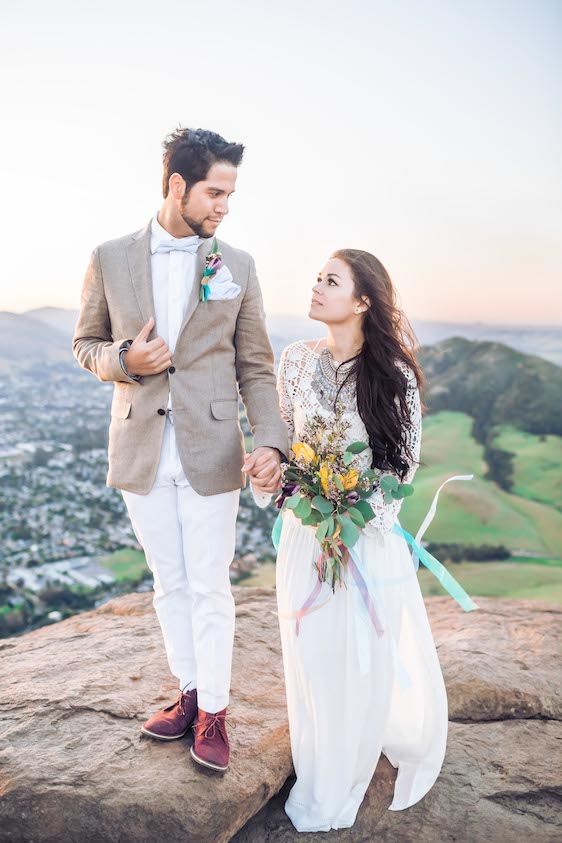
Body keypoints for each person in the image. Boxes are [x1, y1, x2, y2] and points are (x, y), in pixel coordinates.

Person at [72, 127, 289, 773]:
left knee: (210, 586)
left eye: (230, 193)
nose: (224, 205)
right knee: (169, 583)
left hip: (213, 446)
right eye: (215, 191)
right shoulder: (109, 257)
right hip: (140, 444)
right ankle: (190, 695)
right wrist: (125, 360)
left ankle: (217, 713)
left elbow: (255, 365)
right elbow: (85, 343)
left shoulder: (239, 266)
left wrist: (272, 440)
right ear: (176, 185)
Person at [247, 249, 448, 831]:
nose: (315, 287)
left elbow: (401, 471)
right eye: (316, 277)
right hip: (305, 539)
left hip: (364, 542)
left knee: (356, 661)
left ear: (362, 301)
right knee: (311, 658)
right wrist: (271, 475)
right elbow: (282, 448)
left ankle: (343, 774)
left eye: (329, 281)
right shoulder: (293, 363)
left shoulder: (395, 377)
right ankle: (317, 760)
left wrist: (347, 516)